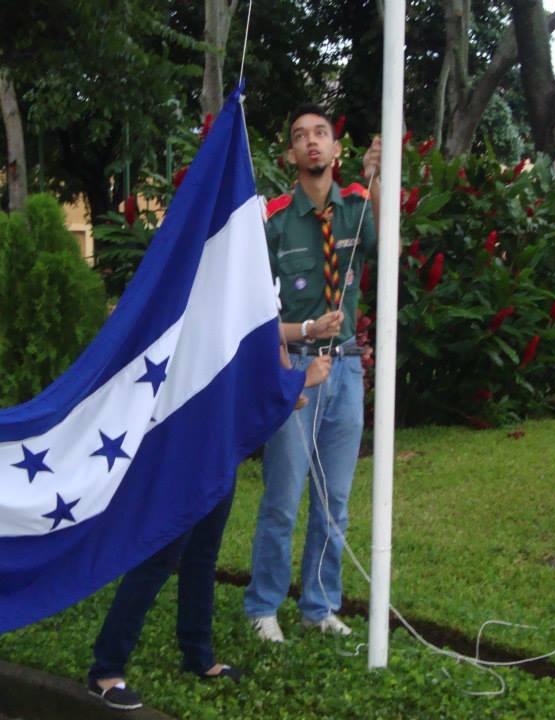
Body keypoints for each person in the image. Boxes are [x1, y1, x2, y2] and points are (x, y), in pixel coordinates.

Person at [87, 320, 337, 712]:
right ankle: (106, 668)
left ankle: (198, 655)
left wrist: (287, 383)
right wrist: (298, 380)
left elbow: (256, 336)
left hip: (219, 433)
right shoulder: (203, 273)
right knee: (162, 554)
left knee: (202, 554)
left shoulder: (242, 272)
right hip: (190, 430)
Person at [244, 103, 381, 642]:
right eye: (300, 136)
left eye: (321, 133)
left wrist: (379, 180)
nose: (312, 143)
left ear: (337, 149)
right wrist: (297, 351)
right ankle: (263, 607)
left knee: (336, 500)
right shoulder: (275, 219)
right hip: (297, 370)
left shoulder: (355, 207)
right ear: (290, 155)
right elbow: (253, 316)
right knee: (283, 497)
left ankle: (320, 606)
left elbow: (388, 251)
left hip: (346, 368)